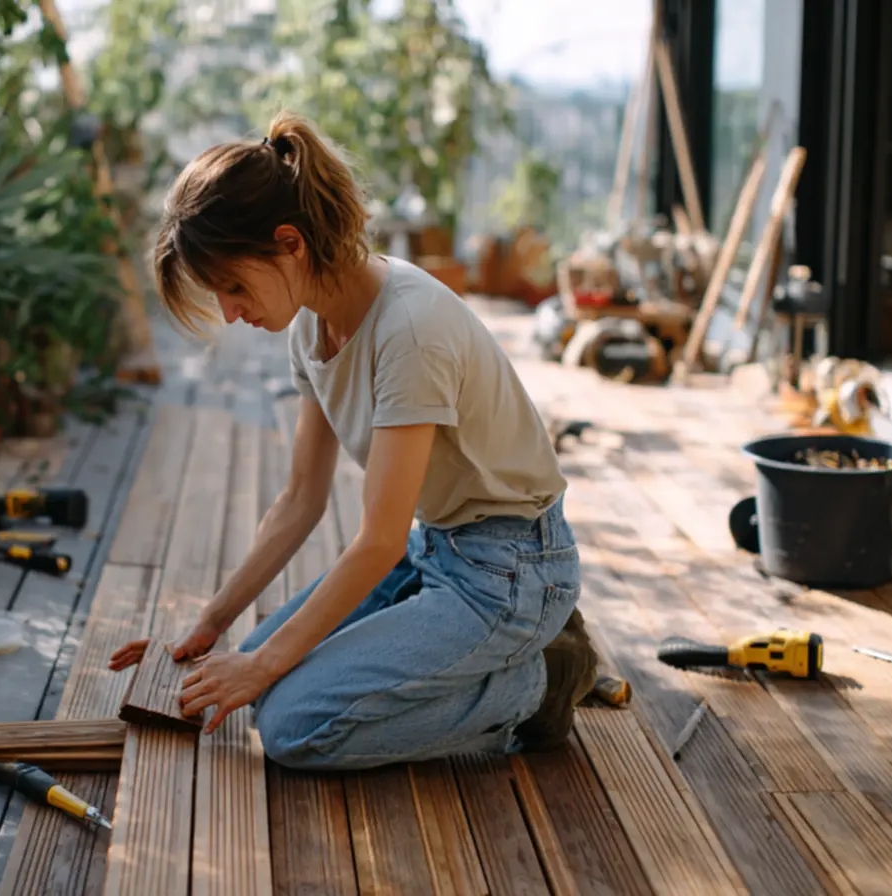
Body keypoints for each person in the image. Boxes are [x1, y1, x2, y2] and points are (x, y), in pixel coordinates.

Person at [108, 112, 598, 771]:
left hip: (511, 573)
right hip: (438, 551)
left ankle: (534, 685)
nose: (230, 312)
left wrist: (262, 666)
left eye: (233, 286)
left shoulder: (409, 331)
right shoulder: (313, 328)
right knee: (250, 673)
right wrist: (210, 624)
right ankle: (481, 657)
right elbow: (301, 499)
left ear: (289, 244)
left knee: (292, 725)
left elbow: (377, 540)